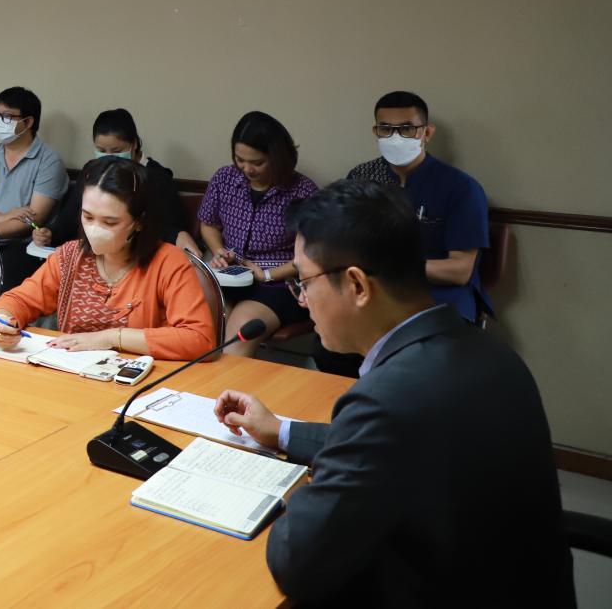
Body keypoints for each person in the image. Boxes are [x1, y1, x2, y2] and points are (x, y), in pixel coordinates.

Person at [213, 180, 573, 607]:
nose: (302, 300)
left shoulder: (387, 399)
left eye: (304, 282)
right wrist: (281, 431)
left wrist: (287, 487)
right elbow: (397, 445)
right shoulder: (489, 352)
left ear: (358, 285)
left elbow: (296, 560)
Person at [0, 159, 216, 359]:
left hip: (140, 383)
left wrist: (110, 338)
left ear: (139, 222)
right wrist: (3, 320)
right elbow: (19, 300)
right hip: (75, 377)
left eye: (110, 222)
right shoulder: (70, 256)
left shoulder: (168, 262)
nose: (95, 229)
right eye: (88, 217)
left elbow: (199, 338)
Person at [346, 90, 491, 323]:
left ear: (427, 133)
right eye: (386, 129)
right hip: (377, 291)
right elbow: (345, 240)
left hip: (439, 297)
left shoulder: (460, 188)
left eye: (406, 129)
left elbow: (459, 270)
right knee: (333, 336)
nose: (395, 137)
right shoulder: (362, 178)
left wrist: (390, 267)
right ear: (376, 132)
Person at [197, 111, 320, 357]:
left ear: (278, 157)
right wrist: (219, 251)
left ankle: (228, 382)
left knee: (235, 339)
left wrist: (266, 274)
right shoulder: (225, 178)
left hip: (280, 283)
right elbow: (208, 223)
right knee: (199, 328)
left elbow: (313, 254)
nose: (247, 169)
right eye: (240, 160)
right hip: (231, 275)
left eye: (257, 162)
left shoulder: (303, 191)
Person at [34, 109, 197, 256]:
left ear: (133, 145)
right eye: (101, 151)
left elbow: (169, 227)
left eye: (117, 151)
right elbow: (69, 217)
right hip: (91, 254)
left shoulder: (156, 177)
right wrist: (50, 233)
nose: (109, 157)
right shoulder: (90, 172)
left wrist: (176, 236)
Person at [0, 87, 68, 288]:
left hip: (20, 244)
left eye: (7, 117)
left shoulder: (49, 161)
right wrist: (4, 217)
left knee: (3, 275)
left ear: (28, 122)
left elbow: (33, 219)